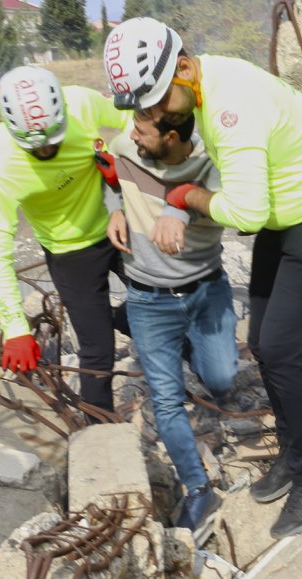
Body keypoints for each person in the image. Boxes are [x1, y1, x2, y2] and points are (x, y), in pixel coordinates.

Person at [104, 17, 302, 538]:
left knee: (282, 346)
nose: (153, 115)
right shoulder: (204, 84)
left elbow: (245, 215)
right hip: (290, 214)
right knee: (267, 341)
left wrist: (185, 199)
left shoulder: (229, 110)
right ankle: (297, 457)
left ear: (183, 67)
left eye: (157, 102)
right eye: (143, 108)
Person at [100, 108, 236, 542]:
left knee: (221, 379)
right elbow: (115, 174)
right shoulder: (128, 147)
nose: (131, 137)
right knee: (166, 398)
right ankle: (198, 488)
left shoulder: (214, 165)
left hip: (206, 289)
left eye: (142, 132)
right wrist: (115, 208)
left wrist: (180, 211)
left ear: (172, 137)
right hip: (147, 298)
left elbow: (233, 213)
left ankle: (195, 349)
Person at [0, 65, 131, 416]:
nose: (47, 152)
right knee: (98, 351)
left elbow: (134, 120)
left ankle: (188, 354)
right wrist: (15, 327)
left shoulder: (82, 103)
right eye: (38, 148)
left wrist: (124, 167)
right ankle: (100, 435)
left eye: (54, 142)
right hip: (69, 252)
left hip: (117, 222)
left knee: (163, 295)